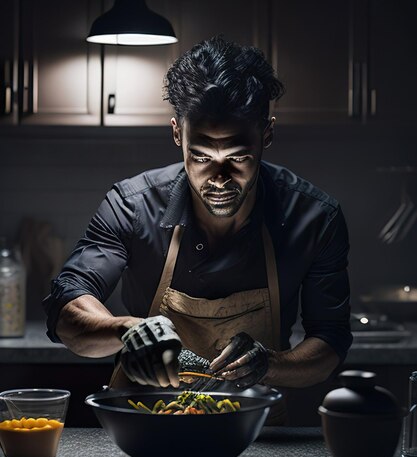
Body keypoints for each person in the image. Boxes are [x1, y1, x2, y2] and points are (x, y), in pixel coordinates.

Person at [42, 35, 352, 424]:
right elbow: (66, 308)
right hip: (143, 425)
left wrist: (269, 364)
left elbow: (329, 343)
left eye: (238, 157)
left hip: (256, 435)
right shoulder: (132, 206)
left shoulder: (314, 217)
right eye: (201, 157)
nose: (219, 178)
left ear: (267, 135)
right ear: (177, 134)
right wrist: (127, 330)